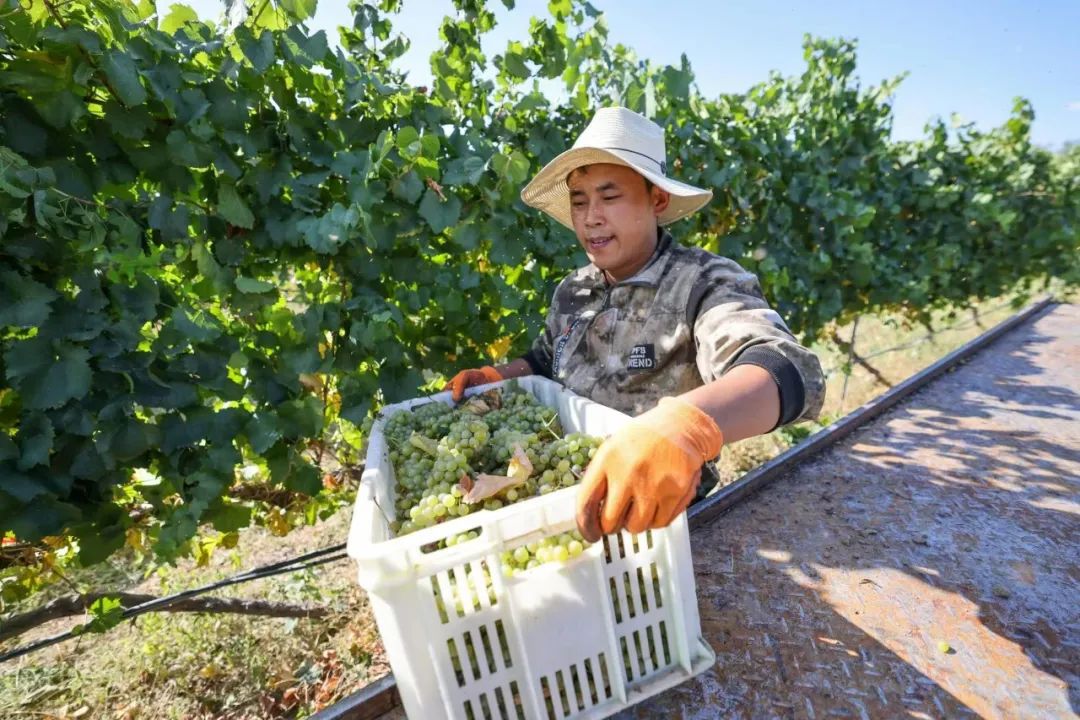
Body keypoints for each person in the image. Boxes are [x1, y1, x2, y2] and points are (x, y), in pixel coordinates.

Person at [446, 107, 825, 543]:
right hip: (560, 500)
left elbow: (787, 370)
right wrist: (496, 377)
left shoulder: (701, 283)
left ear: (657, 200)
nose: (591, 217)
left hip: (657, 522)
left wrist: (687, 425)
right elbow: (546, 359)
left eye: (609, 197)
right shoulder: (574, 289)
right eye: (579, 200)